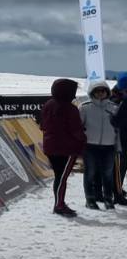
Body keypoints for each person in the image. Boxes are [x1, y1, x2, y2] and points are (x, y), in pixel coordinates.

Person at [38, 78, 86, 217]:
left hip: (50, 146)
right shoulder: (70, 108)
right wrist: (84, 140)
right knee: (62, 178)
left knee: (59, 176)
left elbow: (42, 125)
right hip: (67, 148)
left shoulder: (48, 104)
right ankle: (59, 205)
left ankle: (59, 203)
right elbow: (76, 130)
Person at [80, 80, 118, 209]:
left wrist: (118, 146)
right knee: (90, 172)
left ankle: (108, 198)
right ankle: (90, 199)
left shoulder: (113, 108)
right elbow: (79, 127)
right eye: (97, 91)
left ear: (107, 92)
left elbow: (118, 129)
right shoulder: (85, 107)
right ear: (92, 92)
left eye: (103, 91)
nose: (100, 93)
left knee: (107, 173)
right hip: (90, 146)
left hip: (109, 146)